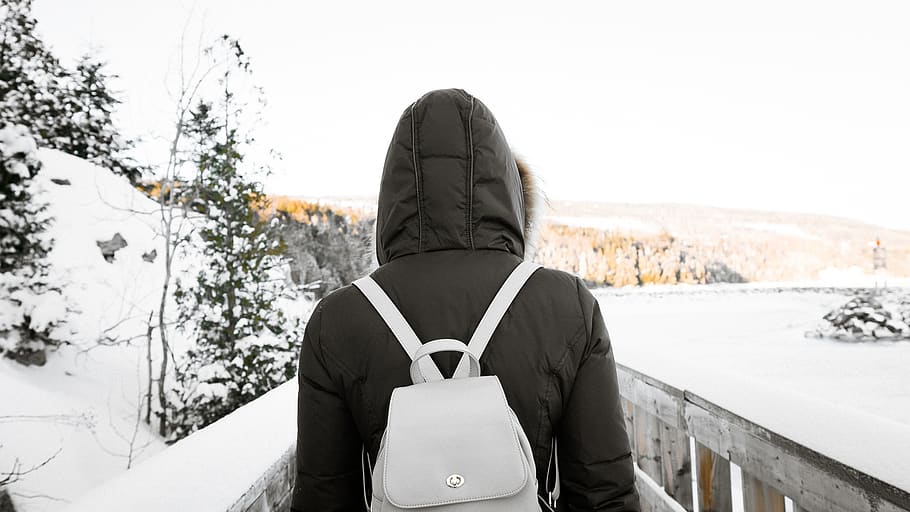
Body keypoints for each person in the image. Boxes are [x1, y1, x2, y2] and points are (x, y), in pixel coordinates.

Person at [292, 88, 639, 512]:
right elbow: (604, 491)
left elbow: (324, 497)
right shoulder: (566, 303)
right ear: (510, 192)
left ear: (393, 195)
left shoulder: (340, 317)